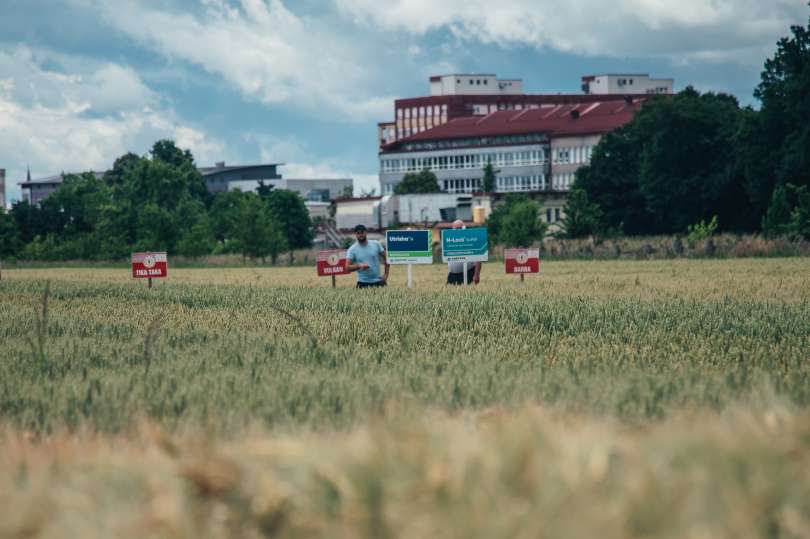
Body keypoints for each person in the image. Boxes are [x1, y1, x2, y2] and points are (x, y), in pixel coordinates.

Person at [446, 219, 481, 285]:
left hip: (468, 273)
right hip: (452, 275)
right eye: (456, 228)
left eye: (460, 228)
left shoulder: (470, 239)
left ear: (464, 228)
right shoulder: (449, 241)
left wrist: (476, 274)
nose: (459, 230)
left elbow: (478, 259)